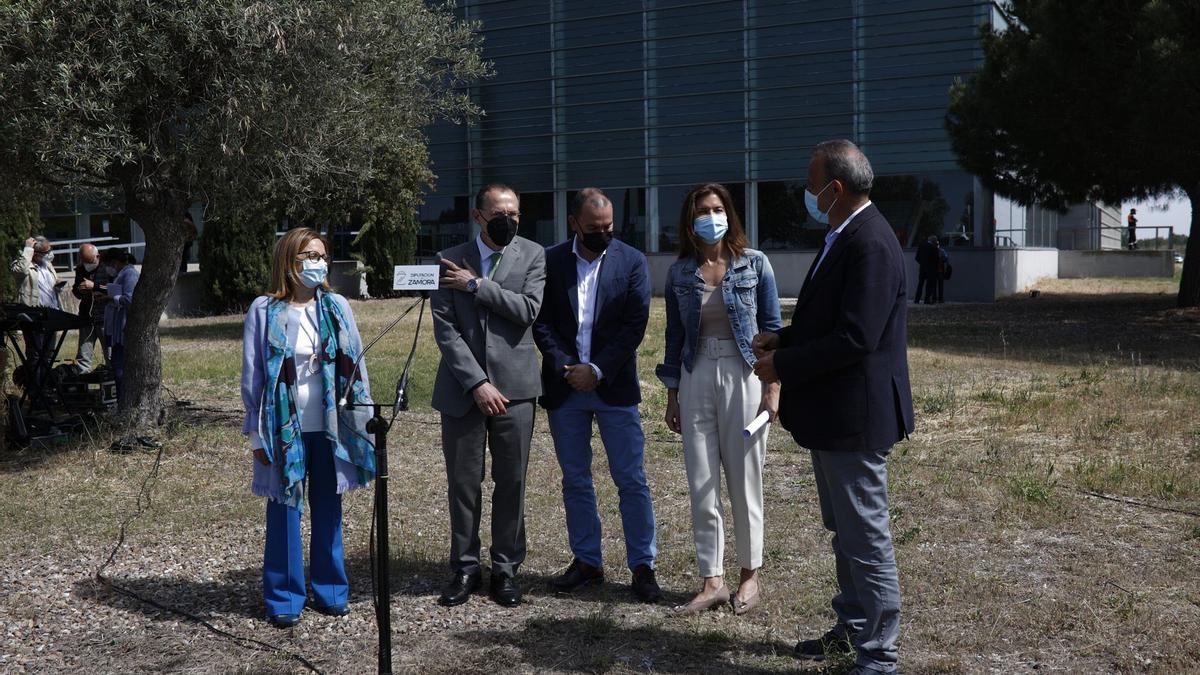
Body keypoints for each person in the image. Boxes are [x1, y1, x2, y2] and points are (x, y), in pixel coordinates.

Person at [752, 140, 914, 675]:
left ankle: (879, 654)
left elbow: (855, 337)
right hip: (835, 414)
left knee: (865, 536)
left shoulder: (869, 241)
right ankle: (853, 627)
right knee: (845, 530)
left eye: (811, 180)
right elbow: (830, 322)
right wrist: (785, 338)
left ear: (835, 188)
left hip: (856, 417)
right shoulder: (846, 234)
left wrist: (786, 366)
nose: (807, 192)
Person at [656, 183, 783, 616]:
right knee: (702, 480)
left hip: (744, 371)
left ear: (729, 213)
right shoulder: (679, 274)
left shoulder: (755, 264)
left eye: (717, 208)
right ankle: (712, 579)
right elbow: (675, 337)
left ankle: (750, 575)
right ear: (689, 221)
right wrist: (672, 394)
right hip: (696, 374)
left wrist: (773, 389)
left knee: (746, 478)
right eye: (702, 211)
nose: (711, 216)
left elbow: (772, 328)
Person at [240, 228, 375, 628]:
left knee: (329, 507)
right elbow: (253, 377)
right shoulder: (264, 310)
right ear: (288, 261)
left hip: (331, 427)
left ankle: (332, 590)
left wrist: (363, 420)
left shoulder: (336, 306)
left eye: (320, 256)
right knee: (284, 509)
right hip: (283, 427)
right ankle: (284, 597)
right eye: (306, 256)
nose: (315, 263)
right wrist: (255, 434)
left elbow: (357, 366)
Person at [532, 188, 662, 604]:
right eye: (593, 229)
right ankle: (587, 561)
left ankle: (643, 565)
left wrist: (598, 369)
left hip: (615, 388)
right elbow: (542, 322)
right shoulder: (550, 261)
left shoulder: (632, 261)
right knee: (576, 480)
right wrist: (567, 367)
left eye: (608, 228)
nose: (603, 234)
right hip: (565, 387)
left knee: (631, 480)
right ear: (574, 224)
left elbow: (633, 326)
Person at [432, 183, 546, 608]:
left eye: (515, 214)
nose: (509, 221)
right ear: (478, 215)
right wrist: (477, 382)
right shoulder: (449, 260)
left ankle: (505, 568)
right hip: (464, 391)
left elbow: (527, 311)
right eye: (500, 213)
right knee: (463, 483)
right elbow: (445, 328)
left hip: (516, 389)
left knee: (511, 481)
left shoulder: (533, 255)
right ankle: (465, 566)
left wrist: (476, 285)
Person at [11, 236, 62, 393]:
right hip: (33, 316)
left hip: (51, 314)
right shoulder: (24, 263)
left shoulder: (47, 264)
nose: (50, 254)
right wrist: (27, 249)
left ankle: (45, 389)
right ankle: (35, 392)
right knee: (35, 356)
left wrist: (57, 287)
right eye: (46, 252)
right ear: (35, 253)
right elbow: (18, 271)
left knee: (48, 355)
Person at [96, 249, 140, 390]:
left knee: (119, 366)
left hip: (124, 328)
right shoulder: (122, 273)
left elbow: (130, 299)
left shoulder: (130, 274)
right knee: (116, 364)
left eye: (109, 265)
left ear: (114, 263)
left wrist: (110, 297)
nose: (108, 269)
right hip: (116, 329)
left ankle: (123, 398)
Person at [71, 243, 107, 373]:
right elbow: (75, 291)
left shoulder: (107, 267)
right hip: (86, 316)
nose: (87, 264)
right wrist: (80, 290)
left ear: (98, 256)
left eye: (89, 261)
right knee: (83, 356)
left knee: (109, 353)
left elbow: (114, 289)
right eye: (84, 261)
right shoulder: (80, 269)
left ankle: (113, 385)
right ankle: (82, 383)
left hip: (104, 317)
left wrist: (95, 286)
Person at [913, 235, 939, 304]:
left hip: (922, 268)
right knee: (929, 285)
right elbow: (936, 259)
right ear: (934, 241)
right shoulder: (934, 248)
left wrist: (922, 263)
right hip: (931, 269)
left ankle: (917, 299)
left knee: (920, 284)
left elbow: (917, 257)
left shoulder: (921, 246)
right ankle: (926, 300)